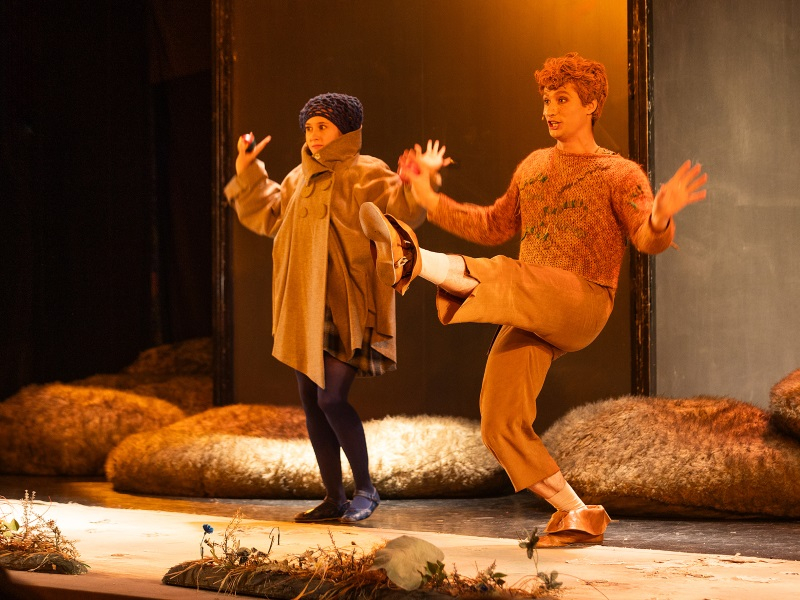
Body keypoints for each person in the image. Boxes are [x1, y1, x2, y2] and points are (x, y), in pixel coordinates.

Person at [360, 53, 708, 546]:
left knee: (511, 276)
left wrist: (661, 216)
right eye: (546, 99)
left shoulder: (620, 173)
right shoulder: (534, 166)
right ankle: (578, 513)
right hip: (528, 301)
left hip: (582, 300)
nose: (549, 109)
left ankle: (413, 258)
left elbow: (646, 239)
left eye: (562, 99)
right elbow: (492, 226)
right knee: (498, 421)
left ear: (592, 104)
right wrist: (426, 195)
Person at [224, 93, 426, 524]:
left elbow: (401, 212)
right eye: (309, 127)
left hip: (346, 299)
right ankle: (334, 496)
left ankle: (366, 489)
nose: (314, 135)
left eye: (323, 126)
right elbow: (269, 212)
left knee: (331, 397)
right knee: (311, 402)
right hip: (303, 301)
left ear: (346, 130)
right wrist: (247, 171)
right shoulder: (297, 178)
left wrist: (412, 183)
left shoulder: (367, 171)